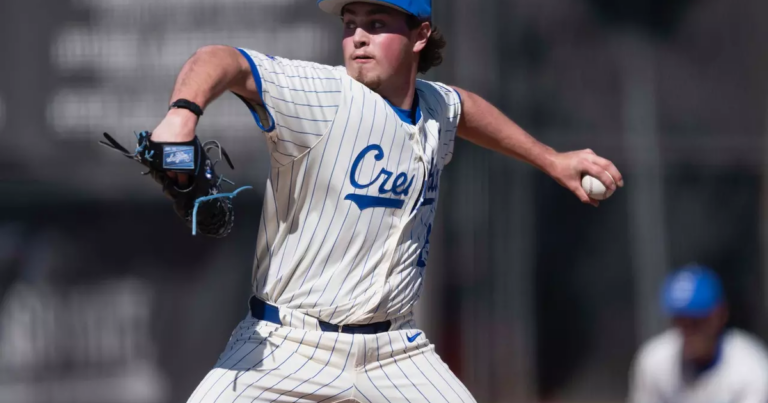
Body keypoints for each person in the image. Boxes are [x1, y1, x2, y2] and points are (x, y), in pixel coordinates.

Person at [148, 0, 623, 401]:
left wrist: (551, 159)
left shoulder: (435, 108)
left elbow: (465, 108)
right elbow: (220, 58)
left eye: (376, 25)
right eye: (350, 24)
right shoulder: (322, 95)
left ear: (420, 35)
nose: (358, 37)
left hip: (394, 350)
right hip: (286, 343)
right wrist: (183, 113)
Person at [628, 265, 768, 403]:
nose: (689, 330)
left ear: (720, 315)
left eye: (697, 320)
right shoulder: (654, 360)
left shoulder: (751, 369)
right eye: (681, 320)